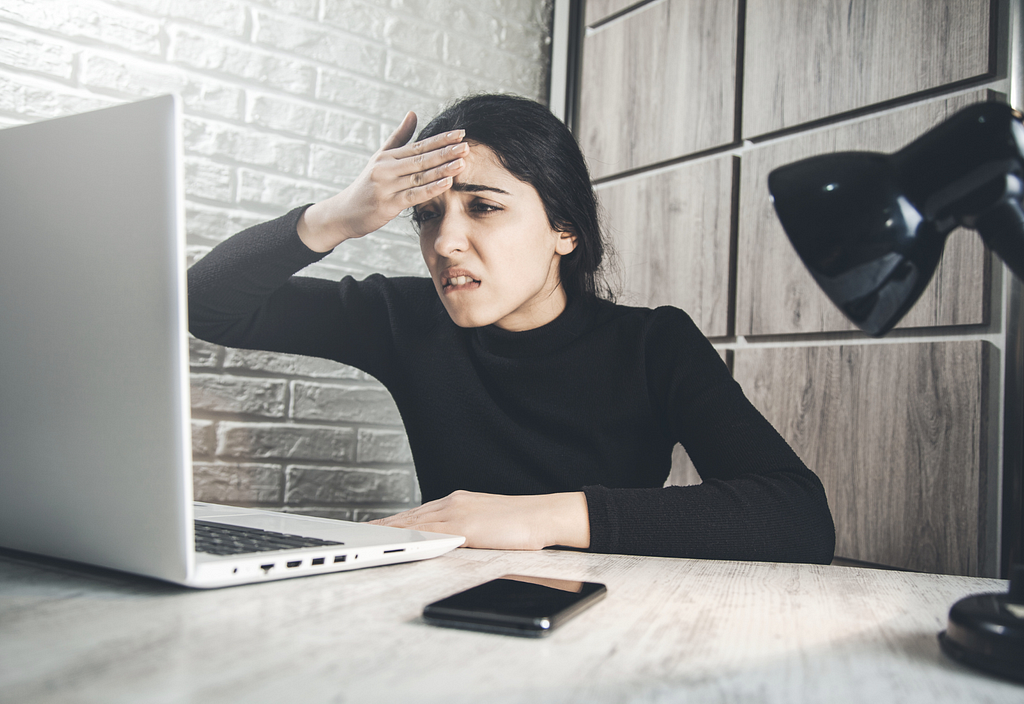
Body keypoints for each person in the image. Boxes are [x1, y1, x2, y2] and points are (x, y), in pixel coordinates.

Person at [188, 94, 836, 563]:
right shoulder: (407, 319)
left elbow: (797, 517)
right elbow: (205, 304)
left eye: (483, 208)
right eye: (427, 216)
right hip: (441, 612)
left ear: (565, 230)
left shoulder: (654, 345)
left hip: (611, 617)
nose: (446, 242)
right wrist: (336, 217)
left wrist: (533, 517)